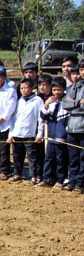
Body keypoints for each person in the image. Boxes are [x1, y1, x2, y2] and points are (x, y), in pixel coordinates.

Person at [7, 79, 44, 184]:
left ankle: (33, 176)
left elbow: (40, 119)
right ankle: (17, 173)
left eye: (26, 88)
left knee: (32, 157)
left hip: (30, 134)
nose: (23, 90)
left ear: (32, 88)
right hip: (17, 133)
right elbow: (13, 119)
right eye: (21, 88)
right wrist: (11, 134)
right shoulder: (18, 101)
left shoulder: (38, 101)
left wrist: (39, 134)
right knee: (17, 155)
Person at [38, 77, 69, 189]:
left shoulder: (67, 103)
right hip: (51, 135)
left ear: (64, 89)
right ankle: (47, 178)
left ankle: (60, 180)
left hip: (62, 137)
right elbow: (43, 115)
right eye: (54, 90)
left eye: (58, 90)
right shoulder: (51, 102)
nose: (56, 92)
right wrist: (46, 104)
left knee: (61, 159)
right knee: (49, 158)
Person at [61, 59, 84, 194]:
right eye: (81, 70)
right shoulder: (75, 86)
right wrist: (78, 103)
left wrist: (73, 103)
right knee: (73, 157)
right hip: (72, 126)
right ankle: (73, 180)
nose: (82, 72)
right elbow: (65, 104)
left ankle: (80, 183)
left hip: (82, 126)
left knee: (83, 157)